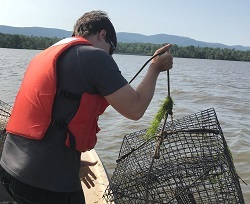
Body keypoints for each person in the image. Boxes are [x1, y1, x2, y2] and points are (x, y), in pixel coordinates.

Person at [0, 10, 173, 204]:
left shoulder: (45, 55)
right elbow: (135, 109)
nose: (109, 55)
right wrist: (155, 67)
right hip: (45, 184)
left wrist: (71, 160)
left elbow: (51, 115)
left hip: (8, 171)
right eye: (111, 50)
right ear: (103, 34)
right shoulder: (95, 56)